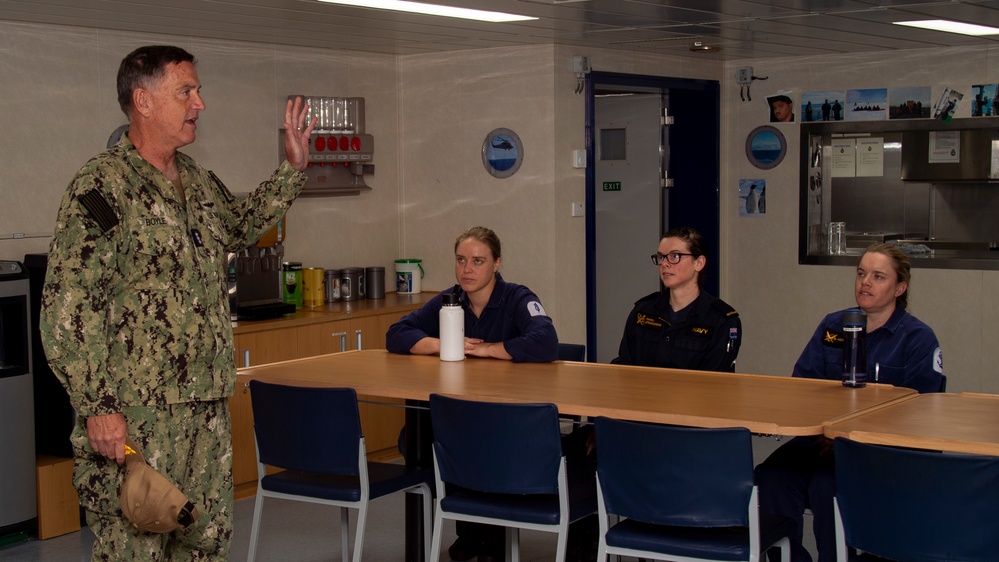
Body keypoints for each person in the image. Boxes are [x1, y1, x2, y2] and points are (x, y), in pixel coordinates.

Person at [39, 45, 315, 561]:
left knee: (204, 545)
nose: (200, 104)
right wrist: (99, 408)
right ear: (143, 101)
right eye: (186, 91)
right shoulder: (102, 187)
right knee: (135, 549)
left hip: (204, 410)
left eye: (198, 91)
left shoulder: (198, 182)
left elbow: (238, 223)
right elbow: (67, 311)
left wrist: (291, 170)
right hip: (136, 416)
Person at [755, 243, 943, 562]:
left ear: (900, 287)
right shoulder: (833, 326)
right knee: (772, 476)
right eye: (861, 273)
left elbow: (921, 408)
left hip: (874, 447)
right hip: (822, 439)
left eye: (878, 276)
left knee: (826, 487)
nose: (865, 282)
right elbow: (802, 386)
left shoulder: (918, 338)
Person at [386, 226, 564, 562]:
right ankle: (470, 527)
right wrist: (442, 344)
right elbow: (397, 333)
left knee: (480, 445)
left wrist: (490, 350)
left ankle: (486, 535)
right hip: (464, 414)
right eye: (461, 260)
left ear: (496, 264)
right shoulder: (449, 300)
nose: (467, 269)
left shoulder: (517, 297)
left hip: (510, 418)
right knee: (415, 439)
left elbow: (546, 342)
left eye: (478, 261)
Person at [612, 226, 741, 372]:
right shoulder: (642, 312)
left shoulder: (722, 321)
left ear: (699, 263)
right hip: (642, 394)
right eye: (661, 257)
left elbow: (714, 383)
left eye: (675, 256)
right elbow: (624, 368)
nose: (664, 264)